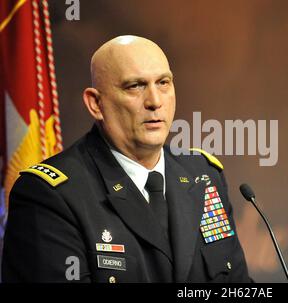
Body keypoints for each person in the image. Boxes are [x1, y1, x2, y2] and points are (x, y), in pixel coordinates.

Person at [1, 35, 252, 283]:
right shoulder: (49, 195)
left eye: (163, 83)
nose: (155, 101)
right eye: (135, 86)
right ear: (96, 103)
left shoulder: (204, 174)